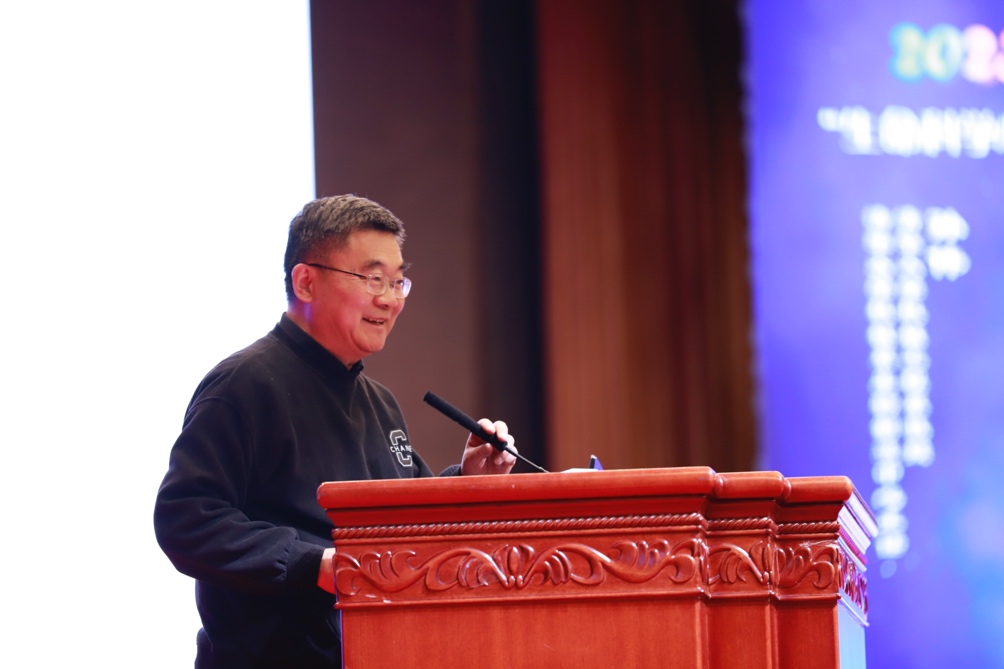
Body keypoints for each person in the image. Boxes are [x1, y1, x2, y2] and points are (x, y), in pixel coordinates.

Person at [154, 195, 516, 668]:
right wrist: (317, 565)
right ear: (306, 282)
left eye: (398, 281)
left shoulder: (379, 401)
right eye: (373, 279)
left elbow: (407, 523)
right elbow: (187, 520)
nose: (390, 299)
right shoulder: (243, 384)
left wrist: (469, 479)